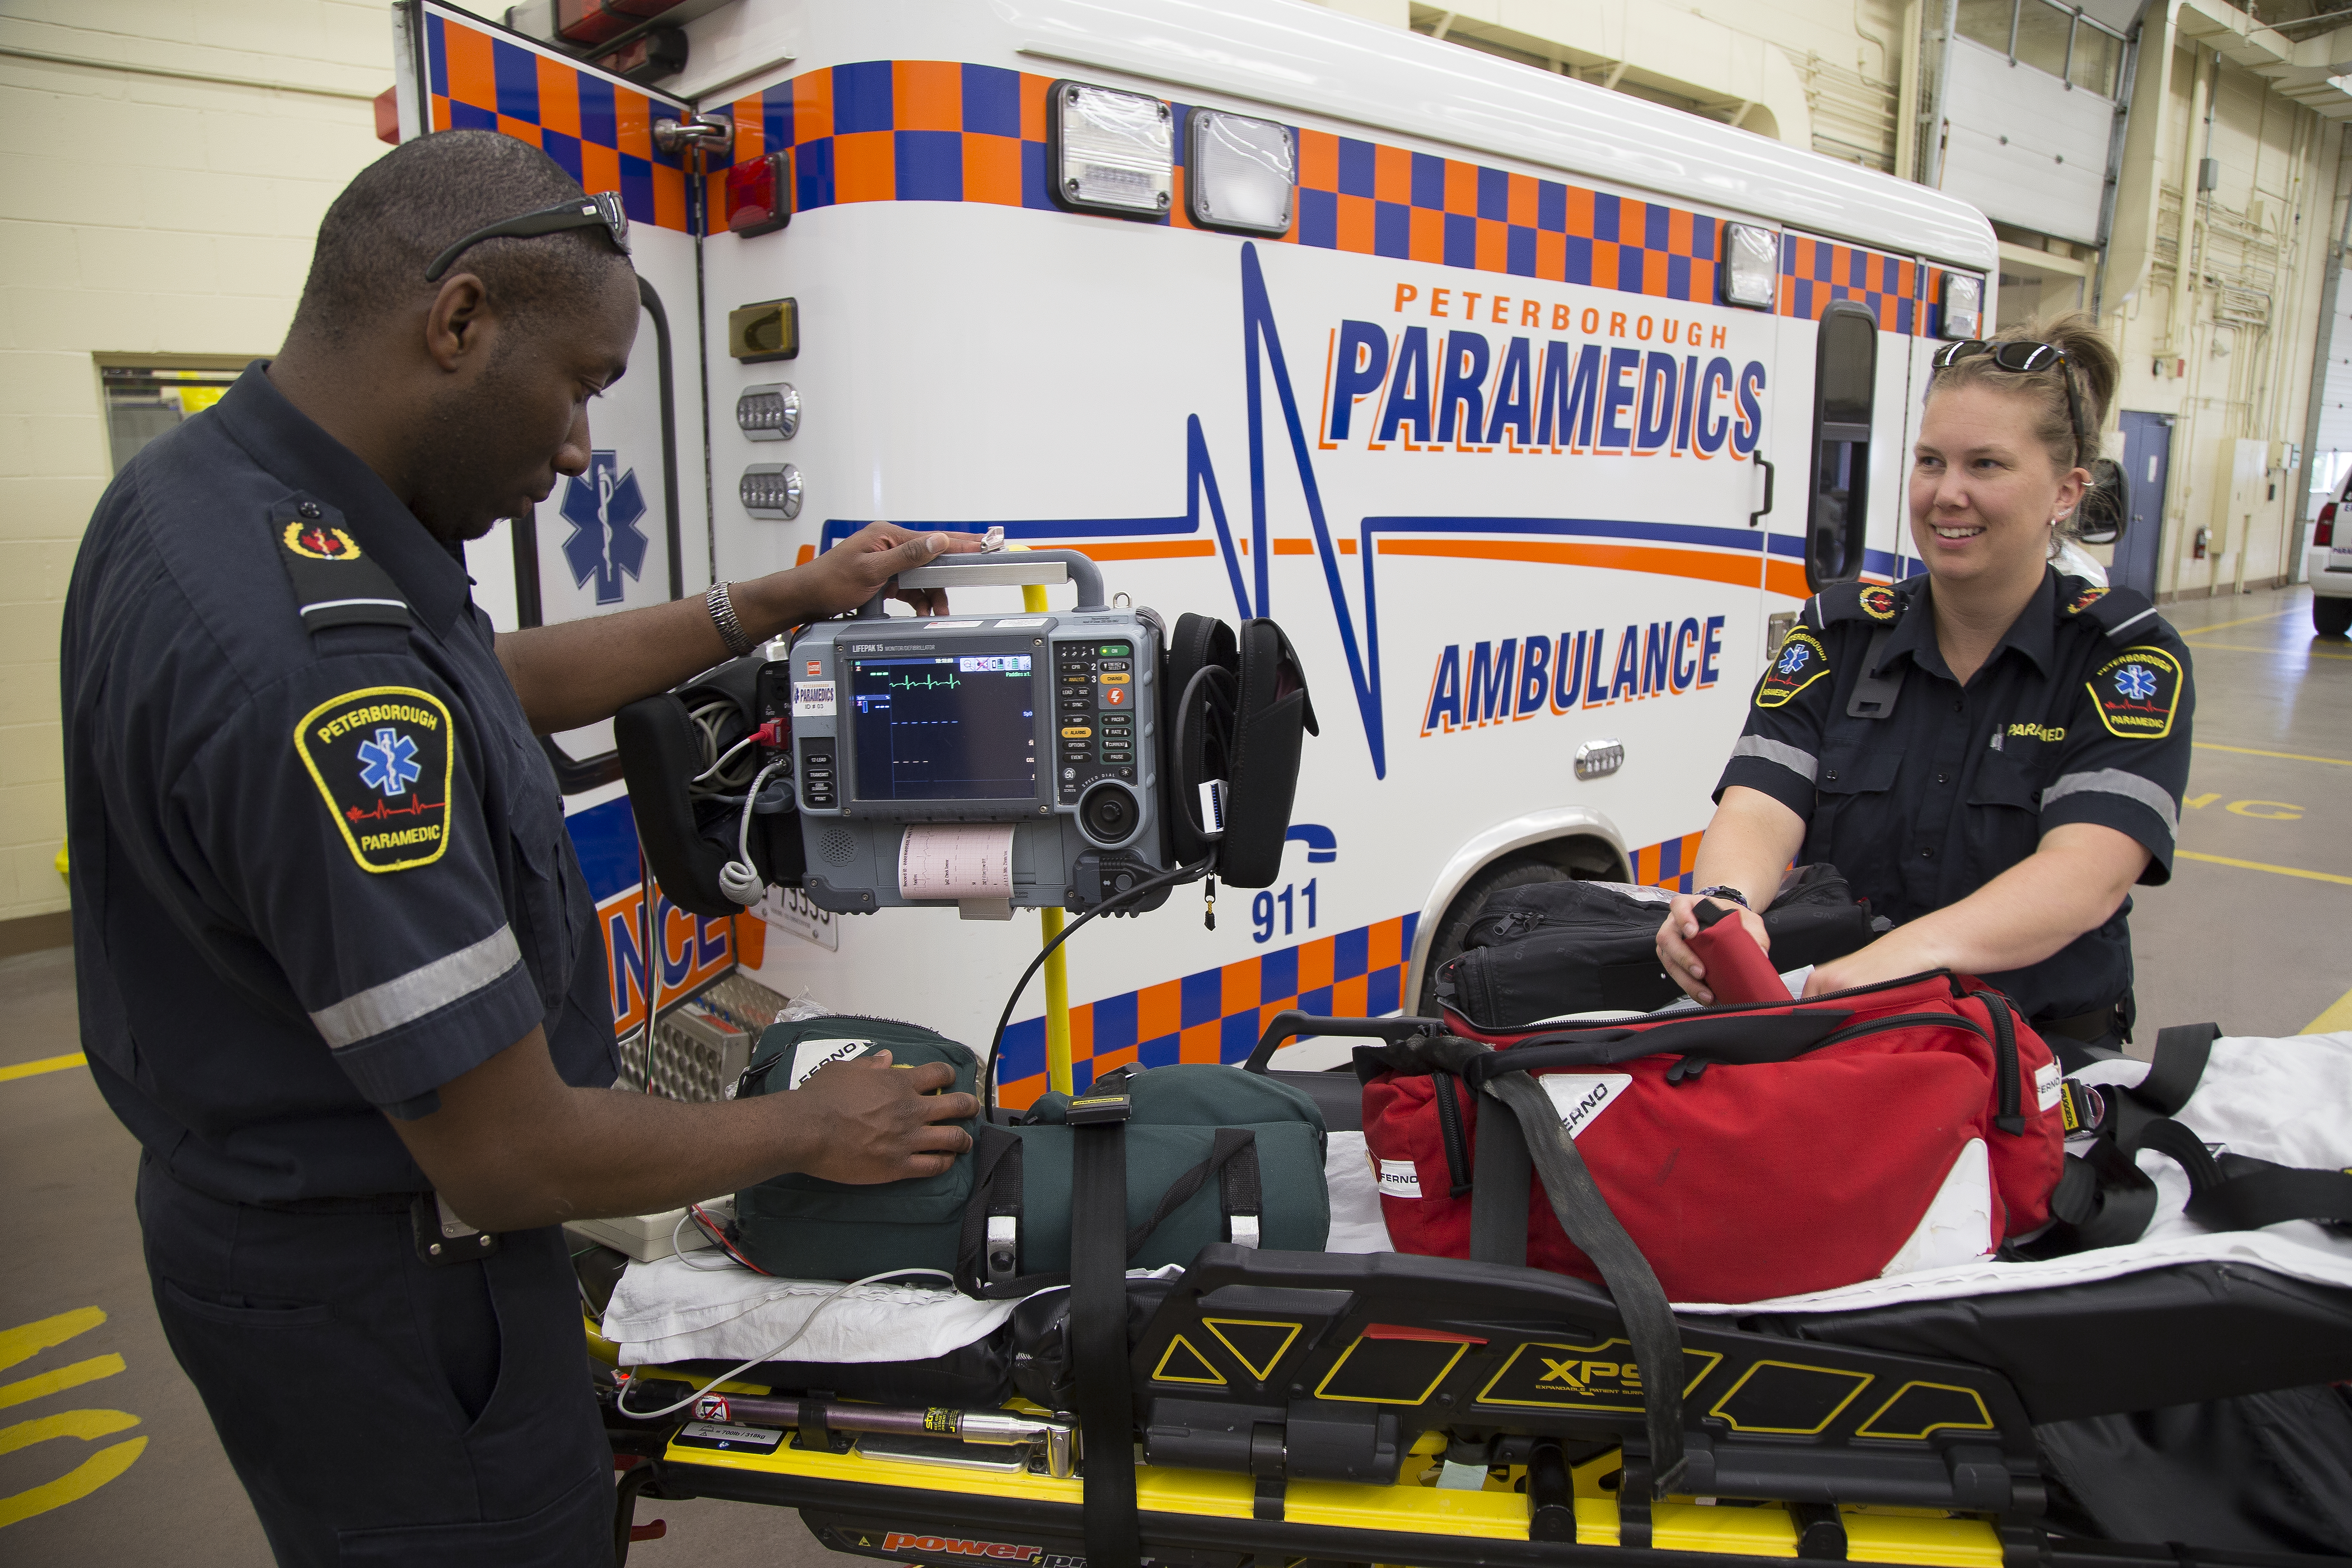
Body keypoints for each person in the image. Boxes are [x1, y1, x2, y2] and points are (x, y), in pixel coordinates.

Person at [60, 130, 981, 1565]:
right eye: (579, 390)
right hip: (396, 1305)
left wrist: (789, 594)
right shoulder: (320, 675)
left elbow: (492, 672)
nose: (573, 449)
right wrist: (819, 1122)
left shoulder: (206, 498)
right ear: (460, 319)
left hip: (260, 1242)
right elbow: (506, 1154)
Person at [1656, 312, 2191, 1061]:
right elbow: (1759, 806)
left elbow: (2086, 876)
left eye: (1987, 466)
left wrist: (1897, 962)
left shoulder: (2122, 659)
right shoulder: (1840, 635)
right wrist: (1726, 908)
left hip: (2032, 1067)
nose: (1947, 493)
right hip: (1849, 1051)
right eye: (1931, 461)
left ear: (2066, 492)